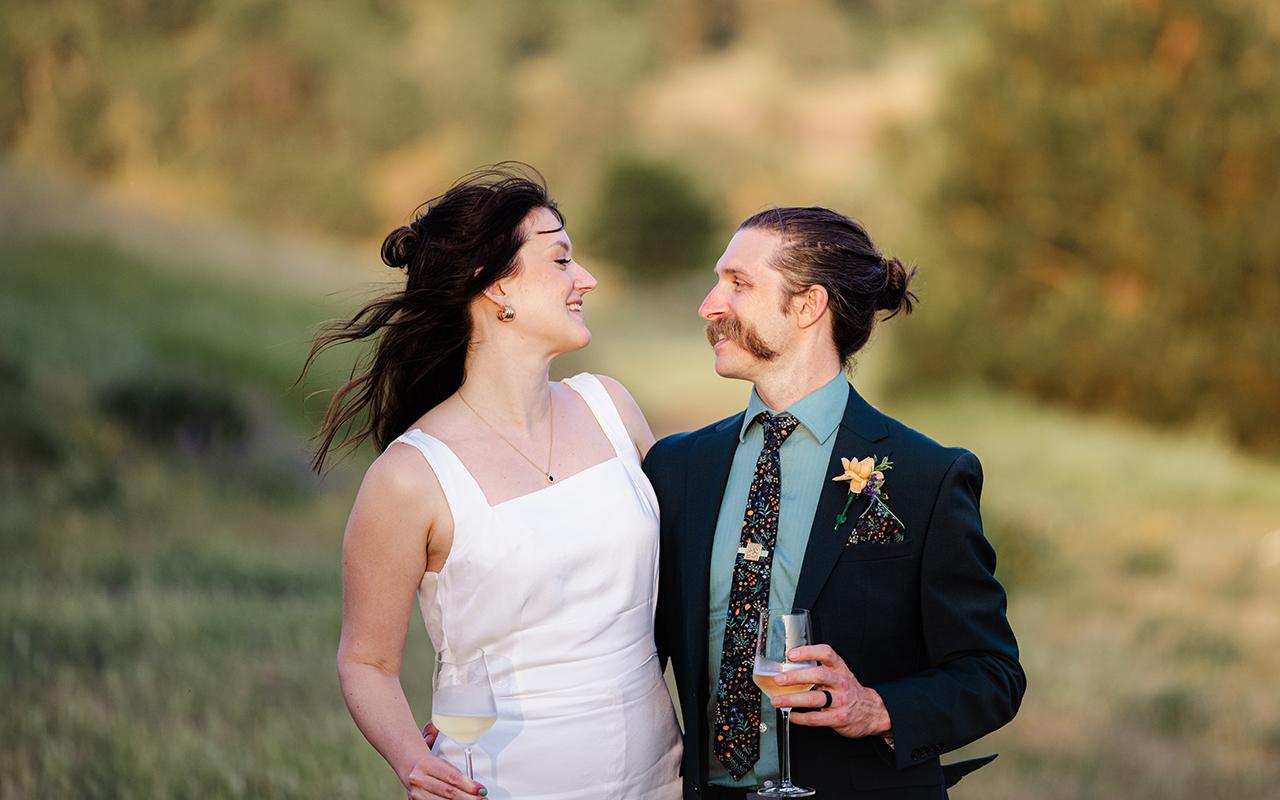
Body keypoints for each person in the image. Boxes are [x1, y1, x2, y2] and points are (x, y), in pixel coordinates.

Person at [304, 164, 682, 800]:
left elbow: (689, 577)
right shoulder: (411, 475)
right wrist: (411, 761)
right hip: (505, 783)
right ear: (495, 287)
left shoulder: (611, 408)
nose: (585, 278)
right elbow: (365, 661)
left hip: (658, 776)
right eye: (561, 260)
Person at [644, 207, 1025, 800]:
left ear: (807, 306)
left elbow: (991, 675)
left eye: (738, 283)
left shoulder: (927, 474)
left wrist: (874, 708)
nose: (709, 305)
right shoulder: (676, 468)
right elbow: (626, 649)